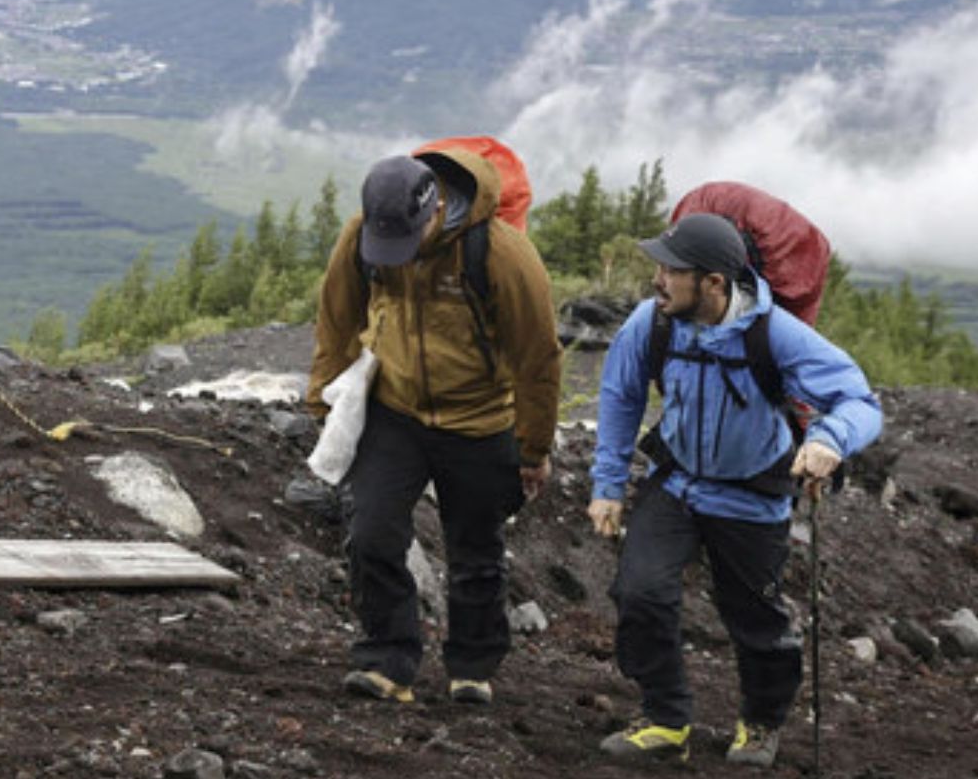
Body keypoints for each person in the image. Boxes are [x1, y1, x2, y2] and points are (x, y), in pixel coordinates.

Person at [588, 213, 881, 766]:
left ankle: (761, 723)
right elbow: (621, 396)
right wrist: (606, 484)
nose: (657, 280)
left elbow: (859, 403)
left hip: (752, 495)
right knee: (639, 592)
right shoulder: (651, 323)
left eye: (671, 271)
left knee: (756, 620)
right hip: (674, 485)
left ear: (714, 283)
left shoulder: (777, 335)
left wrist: (830, 441)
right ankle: (665, 719)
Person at [306, 149, 562, 706]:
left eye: (407, 241)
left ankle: (472, 666)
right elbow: (336, 318)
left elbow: (538, 357)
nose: (396, 255)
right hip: (393, 410)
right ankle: (387, 660)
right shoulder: (363, 238)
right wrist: (323, 403)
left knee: (475, 550)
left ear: (436, 209)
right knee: (372, 534)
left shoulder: (499, 254)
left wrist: (532, 446)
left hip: (478, 419)